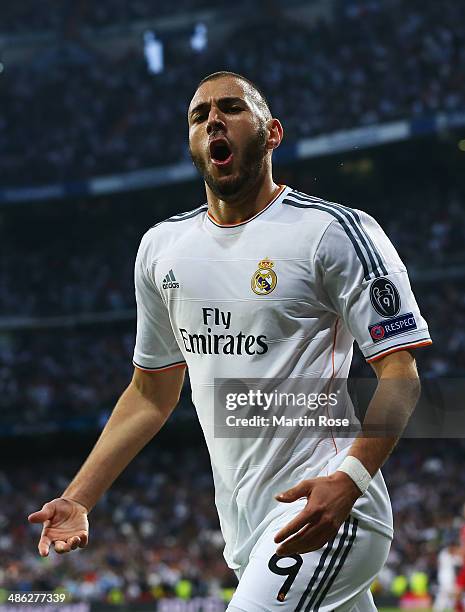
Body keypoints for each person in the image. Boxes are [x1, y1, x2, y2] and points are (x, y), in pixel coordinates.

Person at [28, 71, 432, 611]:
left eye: (231, 108)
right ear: (194, 144)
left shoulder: (332, 232)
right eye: (200, 115)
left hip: (328, 510)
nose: (213, 119)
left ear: (272, 134)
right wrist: (79, 498)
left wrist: (350, 479)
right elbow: (151, 395)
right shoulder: (161, 250)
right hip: (245, 531)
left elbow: (400, 375)